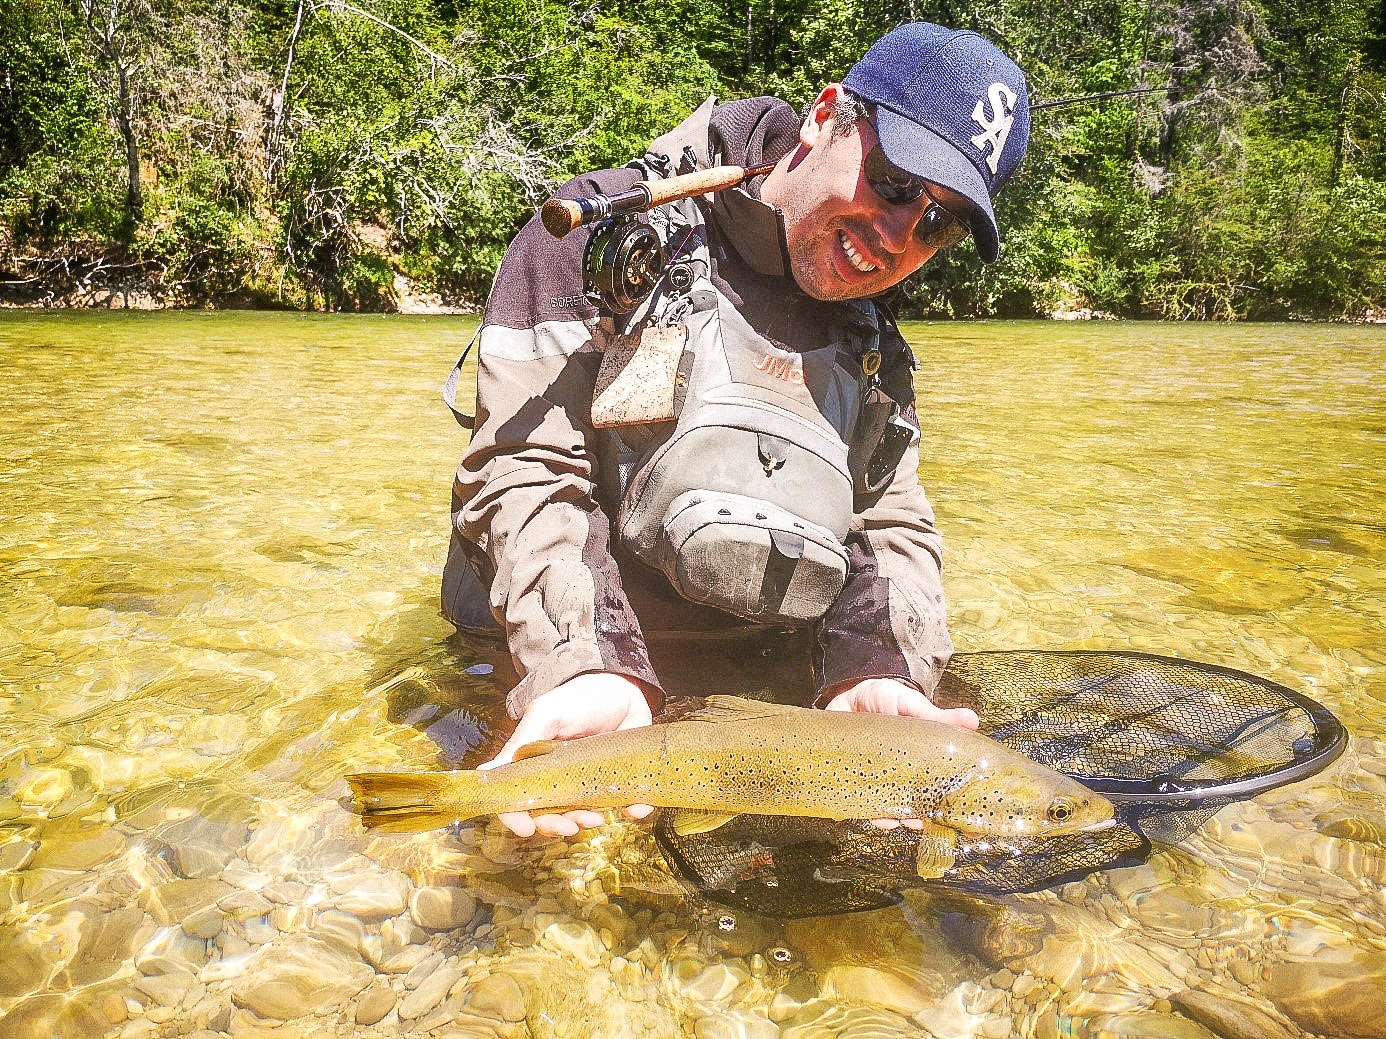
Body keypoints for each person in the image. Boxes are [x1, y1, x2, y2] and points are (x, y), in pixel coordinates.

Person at [440, 22, 1031, 837]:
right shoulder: (600, 240)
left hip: (737, 697)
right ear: (826, 116)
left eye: (940, 225)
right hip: (561, 650)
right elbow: (524, 468)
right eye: (896, 182)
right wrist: (579, 666)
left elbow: (889, 526)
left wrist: (876, 671)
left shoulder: (874, 353)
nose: (900, 235)